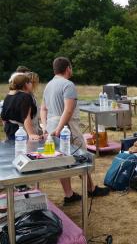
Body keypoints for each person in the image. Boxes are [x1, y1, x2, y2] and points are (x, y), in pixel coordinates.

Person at [40, 57, 109, 204]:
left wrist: (45, 127)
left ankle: (69, 194)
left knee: (61, 161)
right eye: (71, 67)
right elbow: (68, 109)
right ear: (67, 68)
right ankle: (91, 189)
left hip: (52, 127)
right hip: (66, 127)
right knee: (80, 156)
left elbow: (43, 109)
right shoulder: (68, 84)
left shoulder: (48, 85)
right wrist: (59, 128)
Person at [1, 73, 40, 140]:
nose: (31, 84)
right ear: (26, 84)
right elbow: (26, 117)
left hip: (10, 131)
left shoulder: (8, 96)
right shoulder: (26, 97)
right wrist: (31, 134)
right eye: (30, 82)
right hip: (22, 133)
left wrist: (6, 130)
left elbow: (3, 117)